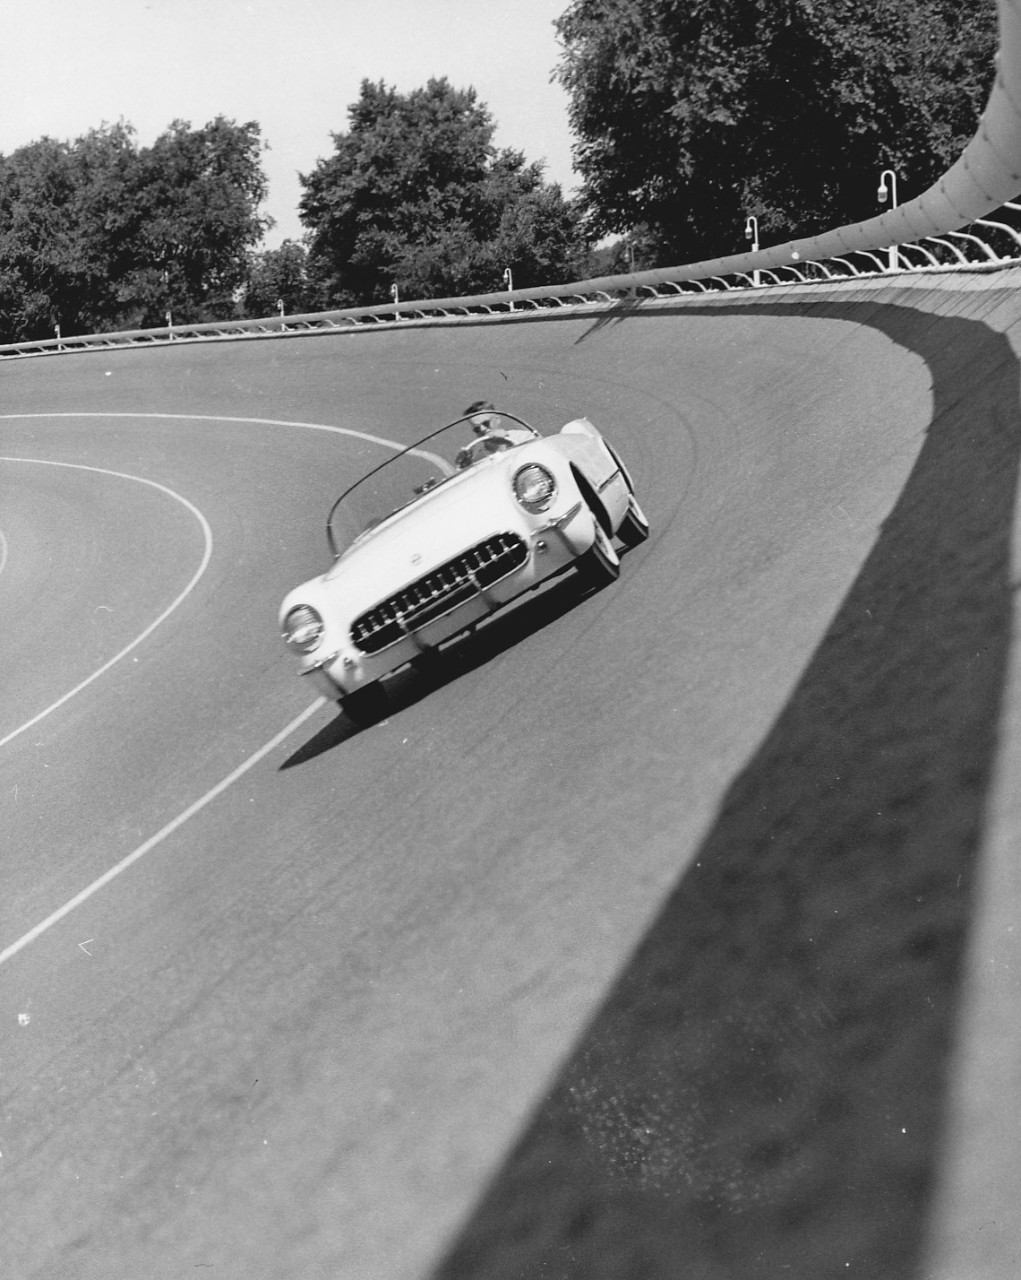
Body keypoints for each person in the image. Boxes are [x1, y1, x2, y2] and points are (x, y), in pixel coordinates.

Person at [455, 400, 536, 468]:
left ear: (497, 419)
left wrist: (508, 442)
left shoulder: (524, 437)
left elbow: (537, 455)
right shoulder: (478, 460)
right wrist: (467, 467)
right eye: (477, 428)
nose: (482, 429)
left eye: (486, 423)